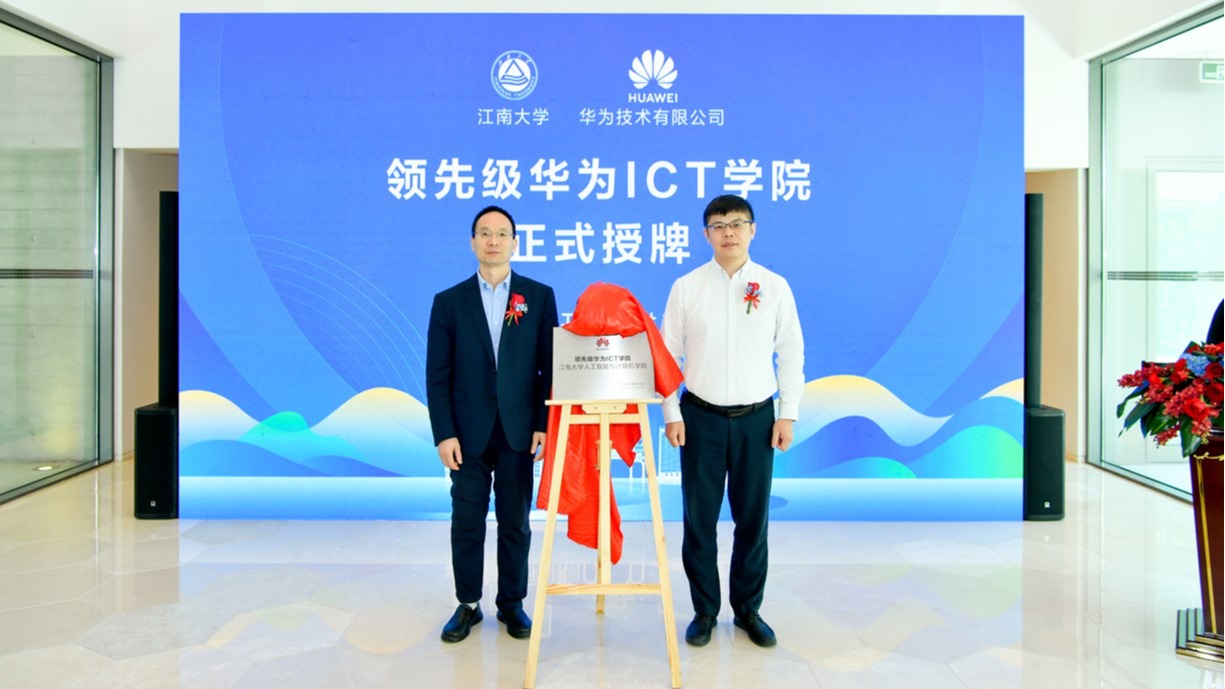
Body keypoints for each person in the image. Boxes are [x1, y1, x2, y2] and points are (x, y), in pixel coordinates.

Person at [661, 194, 804, 648]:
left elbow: (791, 353)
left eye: (737, 224)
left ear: (752, 230)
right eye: (719, 225)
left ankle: (748, 610)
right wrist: (671, 413)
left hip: (757, 420)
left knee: (752, 520)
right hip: (699, 418)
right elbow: (667, 356)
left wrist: (788, 413)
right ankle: (705, 611)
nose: (729, 233)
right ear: (706, 234)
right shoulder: (687, 287)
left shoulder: (774, 286)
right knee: (698, 520)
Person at [426, 205, 558, 643]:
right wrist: (444, 433)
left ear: (515, 243)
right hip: (466, 433)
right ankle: (468, 603)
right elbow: (437, 374)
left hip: (519, 429)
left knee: (515, 522)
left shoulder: (539, 296)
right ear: (472, 242)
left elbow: (549, 367)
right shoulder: (449, 302)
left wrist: (543, 422)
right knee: (466, 521)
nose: (493, 240)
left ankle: (511, 603)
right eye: (485, 233)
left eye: (502, 233)